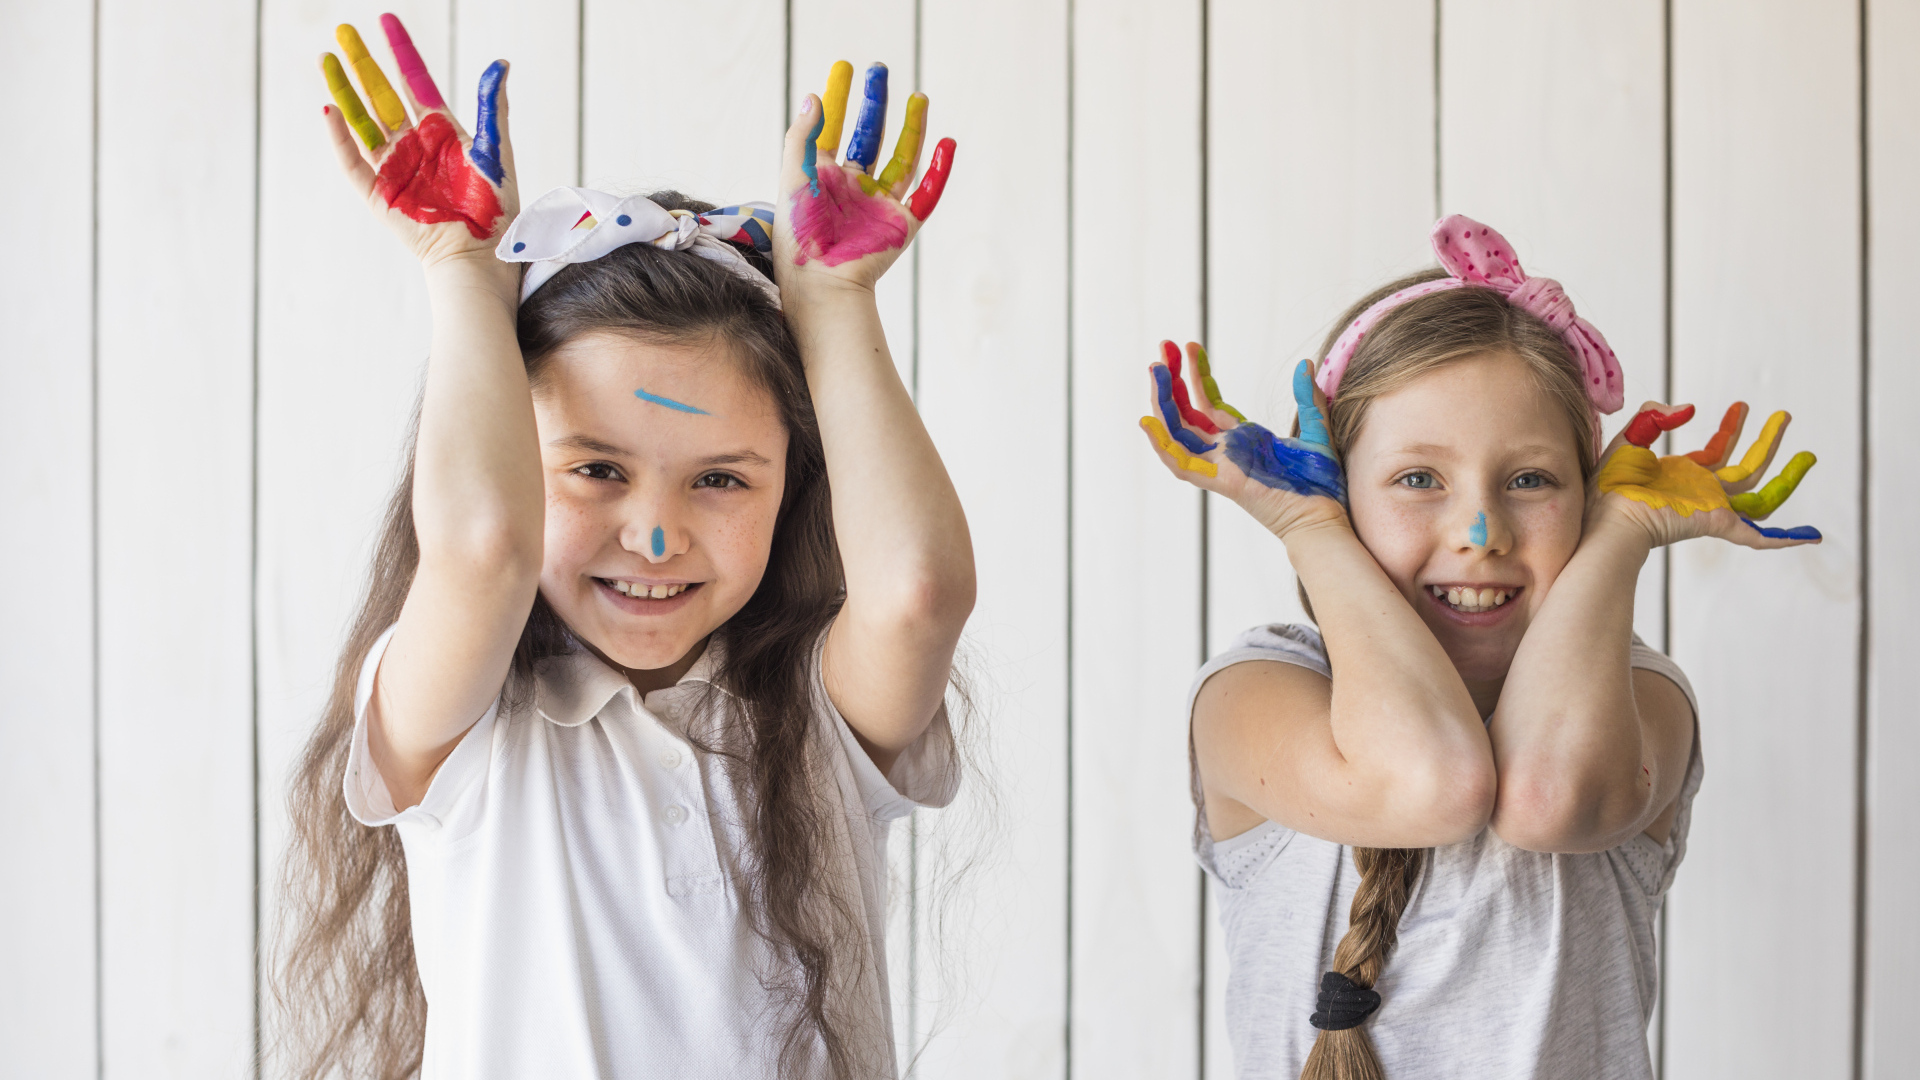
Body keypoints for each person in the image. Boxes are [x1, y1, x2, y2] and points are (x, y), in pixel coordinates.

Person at [277, 21, 970, 1080]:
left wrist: (832, 307)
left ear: (797, 492)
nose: (654, 534)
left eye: (722, 479)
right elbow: (482, 550)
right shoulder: (460, 727)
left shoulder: (821, 721)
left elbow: (917, 591)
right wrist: (466, 272)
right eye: (595, 471)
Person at [1139, 215, 1820, 1079]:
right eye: (1418, 478)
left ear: (1592, 494)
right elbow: (1428, 782)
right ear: (1337, 489)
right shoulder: (1255, 691)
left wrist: (1620, 537)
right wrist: (1310, 528)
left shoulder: (1642, 698)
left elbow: (1544, 795)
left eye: (1531, 479)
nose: (1480, 530)